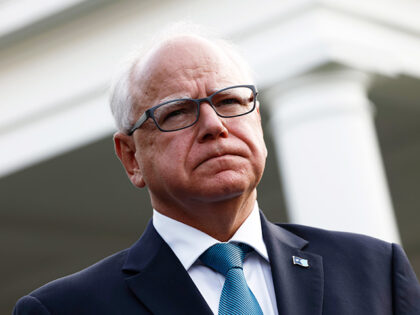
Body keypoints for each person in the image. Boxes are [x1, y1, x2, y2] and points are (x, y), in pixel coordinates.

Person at [14, 25, 420, 315]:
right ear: (131, 157)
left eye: (228, 101)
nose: (214, 125)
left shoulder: (372, 268)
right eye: (177, 112)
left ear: (257, 120)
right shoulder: (64, 308)